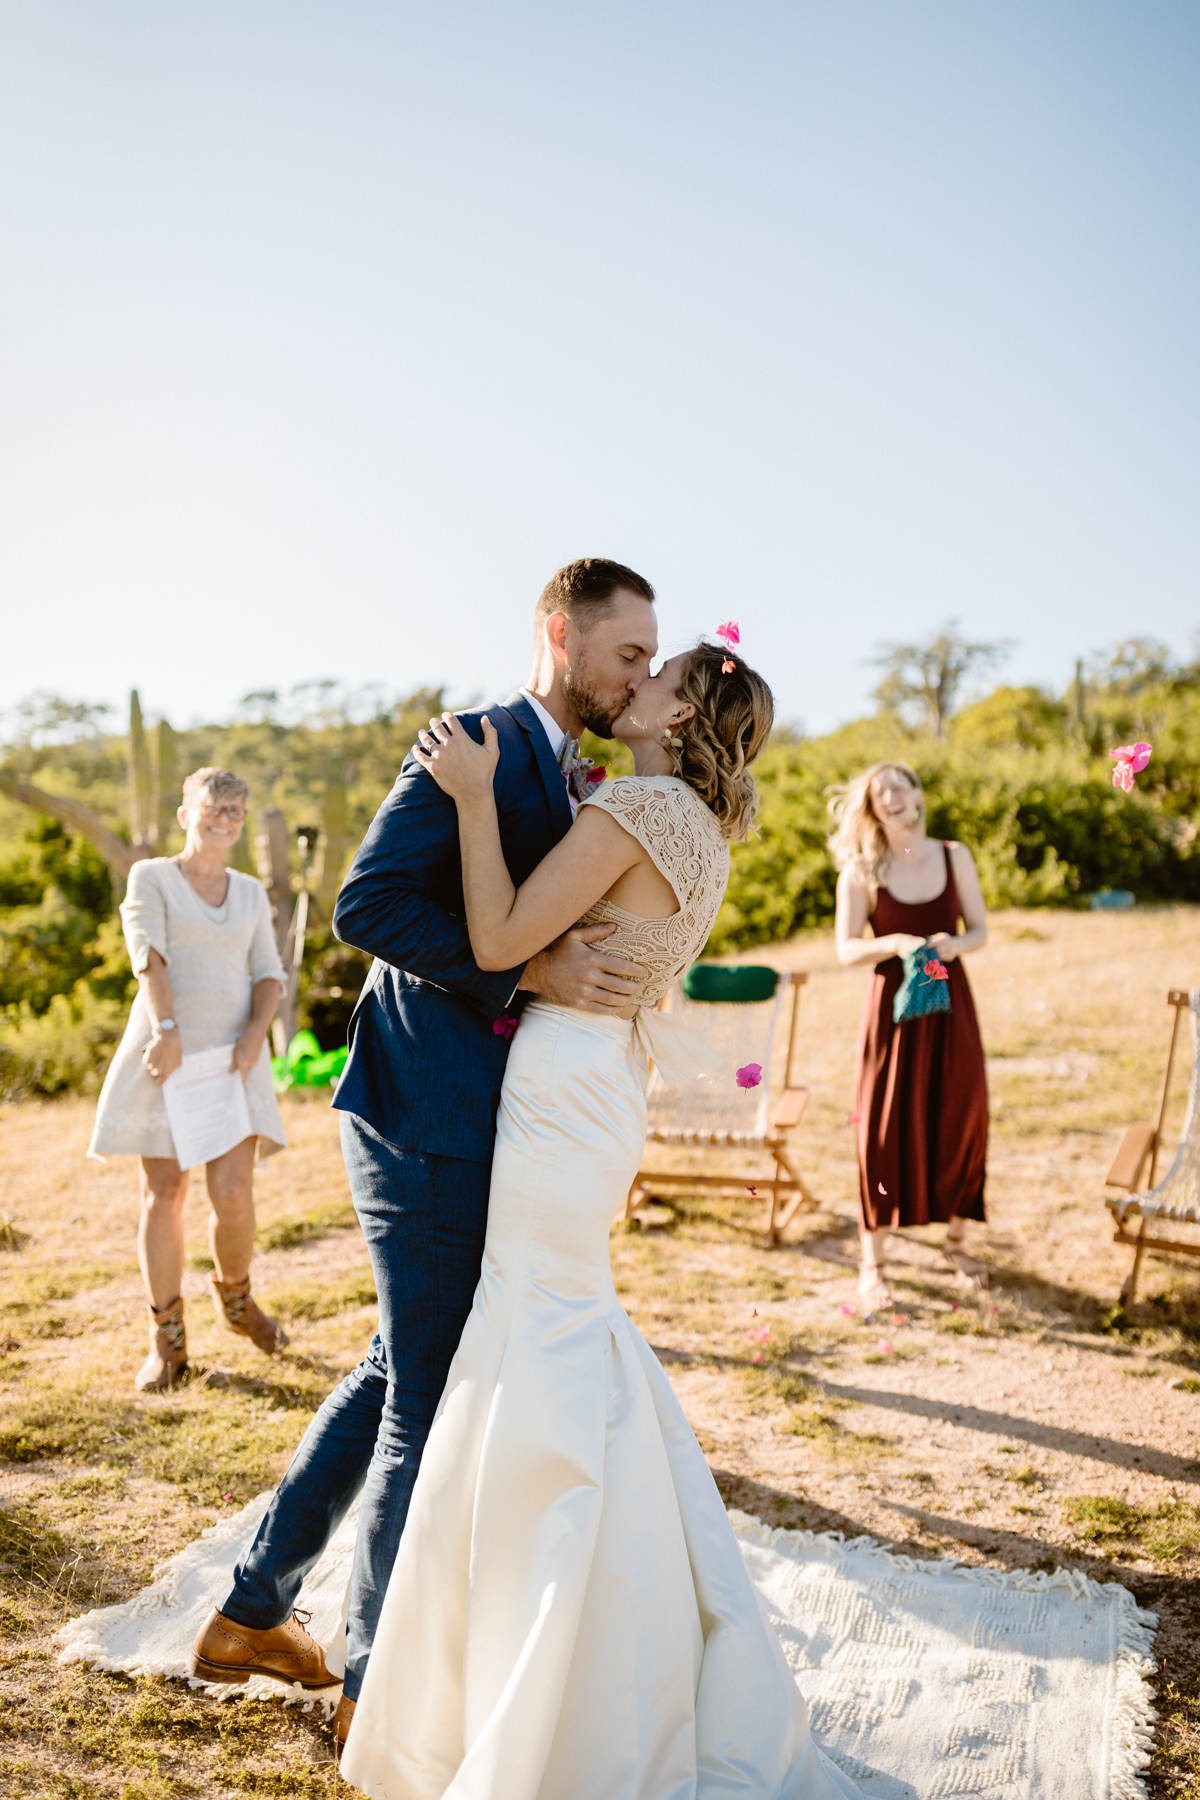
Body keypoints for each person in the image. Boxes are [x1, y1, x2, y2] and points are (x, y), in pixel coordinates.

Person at [339, 642, 863, 1799]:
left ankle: (549, 1624)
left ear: (686, 713)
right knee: (561, 1317)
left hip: (562, 1085)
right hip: (600, 1091)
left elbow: (494, 942)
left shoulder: (634, 805)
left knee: (541, 1322)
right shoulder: (701, 826)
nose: (635, 686)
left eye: (657, 676)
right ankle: (598, 1603)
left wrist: (476, 802)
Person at [189, 560, 658, 1713]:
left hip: (475, 1111)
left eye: (651, 657)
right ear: (562, 632)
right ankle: (371, 1680)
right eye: (629, 653)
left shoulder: (562, 767)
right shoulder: (476, 742)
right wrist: (523, 963)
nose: (639, 673)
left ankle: (251, 1614)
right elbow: (366, 906)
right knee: (425, 1388)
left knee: (401, 1364)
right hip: (423, 1109)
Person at [88, 767, 289, 1391]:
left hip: (234, 1062)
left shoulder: (251, 892)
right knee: (165, 1191)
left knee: (231, 1193)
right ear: (185, 814)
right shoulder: (151, 878)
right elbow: (147, 956)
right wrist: (167, 1028)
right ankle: (168, 1342)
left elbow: (268, 974)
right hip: (166, 1055)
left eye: (236, 809)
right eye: (213, 807)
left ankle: (236, 1301)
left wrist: (257, 1032)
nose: (224, 818)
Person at [829, 761, 989, 1317]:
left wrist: (952, 944)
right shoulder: (860, 870)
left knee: (962, 1116)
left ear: (918, 795)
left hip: (951, 1006)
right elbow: (846, 949)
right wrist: (894, 942)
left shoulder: (955, 855)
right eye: (880, 792)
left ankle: (957, 1244)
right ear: (872, 809)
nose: (893, 796)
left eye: (900, 785)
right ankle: (871, 1262)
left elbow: (982, 932)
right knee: (880, 1128)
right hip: (890, 1014)